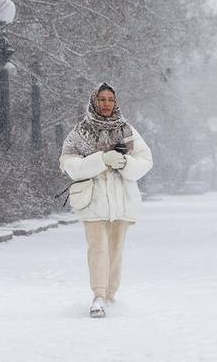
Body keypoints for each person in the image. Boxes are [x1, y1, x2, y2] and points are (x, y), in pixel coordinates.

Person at [59, 82, 153, 318]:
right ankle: (98, 296)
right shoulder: (80, 131)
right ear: (94, 101)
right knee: (98, 249)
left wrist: (123, 163)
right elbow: (69, 165)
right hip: (93, 200)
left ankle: (111, 295)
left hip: (121, 201)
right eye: (102, 99)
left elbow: (145, 161)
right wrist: (102, 159)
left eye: (110, 99)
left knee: (115, 250)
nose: (107, 104)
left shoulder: (127, 130)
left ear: (116, 102)